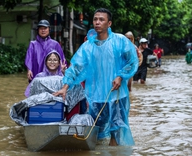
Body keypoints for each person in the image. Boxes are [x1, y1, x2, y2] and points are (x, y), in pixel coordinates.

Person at [53, 8, 138, 146]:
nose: (97, 22)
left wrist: (121, 76)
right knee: (96, 133)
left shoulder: (120, 41)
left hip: (116, 93)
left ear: (109, 23)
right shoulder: (87, 46)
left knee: (116, 131)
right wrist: (65, 87)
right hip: (96, 96)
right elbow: (75, 67)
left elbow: (132, 61)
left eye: (101, 19)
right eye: (95, 19)